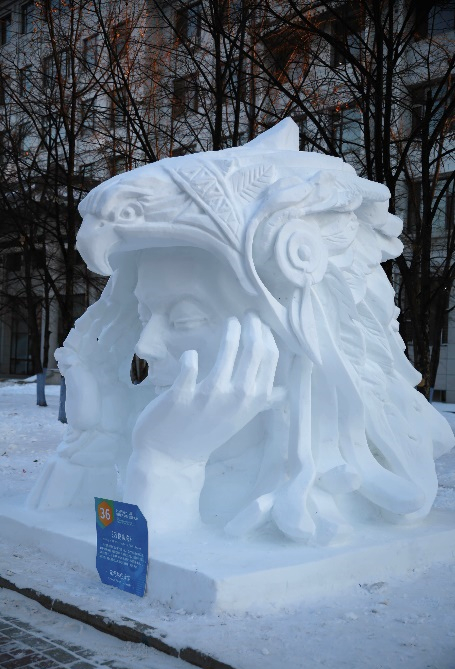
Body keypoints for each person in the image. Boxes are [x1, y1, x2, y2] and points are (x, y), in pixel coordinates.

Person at [27, 119, 454, 545]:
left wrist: (167, 465)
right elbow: (78, 534)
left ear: (291, 333)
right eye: (143, 313)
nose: (145, 346)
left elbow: (165, 555)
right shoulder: (146, 429)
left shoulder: (304, 501)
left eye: (183, 319)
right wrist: (96, 442)